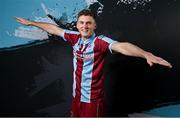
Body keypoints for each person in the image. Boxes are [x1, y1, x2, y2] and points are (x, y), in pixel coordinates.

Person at [15, 9, 172, 117]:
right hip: (76, 97)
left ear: (94, 25)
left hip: (92, 101)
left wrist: (145, 54)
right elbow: (54, 29)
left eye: (88, 23)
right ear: (77, 25)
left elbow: (122, 46)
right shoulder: (74, 37)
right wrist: (31, 23)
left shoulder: (100, 42)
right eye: (81, 23)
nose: (84, 26)